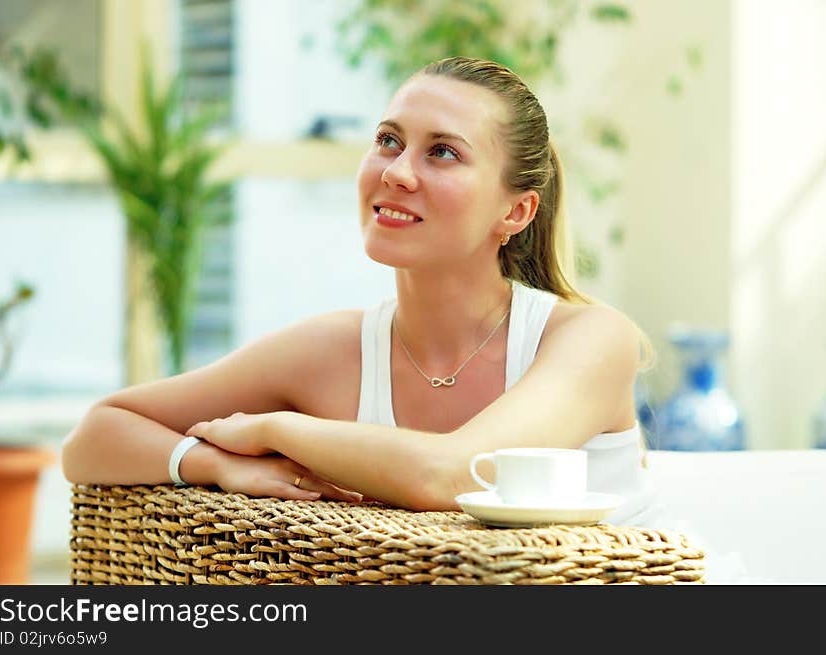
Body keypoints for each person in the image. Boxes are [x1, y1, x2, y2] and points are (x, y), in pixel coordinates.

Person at [62, 57, 660, 525]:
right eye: (388, 141)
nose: (397, 172)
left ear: (517, 211)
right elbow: (96, 435)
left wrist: (275, 430)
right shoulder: (331, 350)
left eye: (443, 152)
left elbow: (454, 476)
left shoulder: (592, 339)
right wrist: (215, 465)